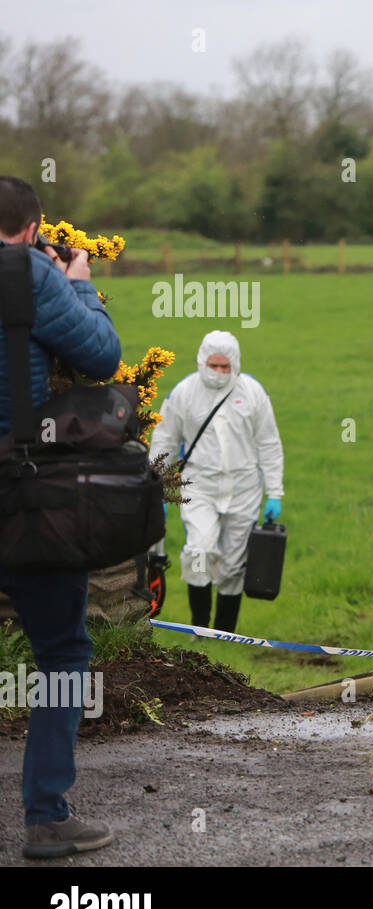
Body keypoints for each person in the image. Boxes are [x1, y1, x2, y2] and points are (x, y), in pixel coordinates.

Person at [0, 176, 121, 858]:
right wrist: (73, 281)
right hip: (22, 492)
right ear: (31, 230)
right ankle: (46, 817)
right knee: (63, 652)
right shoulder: (29, 273)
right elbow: (100, 356)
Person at [150, 331, 284, 635]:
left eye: (226, 366)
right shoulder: (184, 393)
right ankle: (200, 629)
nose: (220, 373)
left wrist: (274, 492)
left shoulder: (252, 393)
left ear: (235, 364)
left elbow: (269, 444)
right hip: (199, 487)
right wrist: (156, 490)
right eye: (214, 365)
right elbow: (164, 441)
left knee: (234, 565)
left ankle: (226, 635)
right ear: (202, 361)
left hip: (245, 488)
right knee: (199, 552)